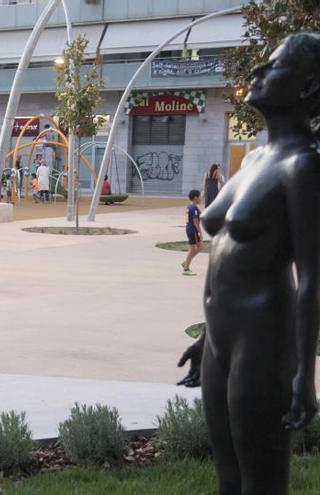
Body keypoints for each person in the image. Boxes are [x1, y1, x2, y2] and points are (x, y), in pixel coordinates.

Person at [177, 33, 320, 495]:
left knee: (261, 484)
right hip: (221, 338)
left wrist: (304, 372)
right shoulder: (256, 157)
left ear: (306, 87)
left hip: (263, 339)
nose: (257, 73)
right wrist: (206, 333)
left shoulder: (304, 167)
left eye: (273, 66)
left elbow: (312, 278)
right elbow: (226, 255)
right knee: (228, 479)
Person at [181, 189, 202, 276]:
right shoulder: (194, 208)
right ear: (195, 197)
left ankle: (186, 262)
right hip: (193, 230)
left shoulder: (189, 206)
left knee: (195, 248)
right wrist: (200, 232)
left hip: (188, 228)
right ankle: (186, 268)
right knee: (196, 248)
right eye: (200, 196)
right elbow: (195, 222)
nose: (201, 198)